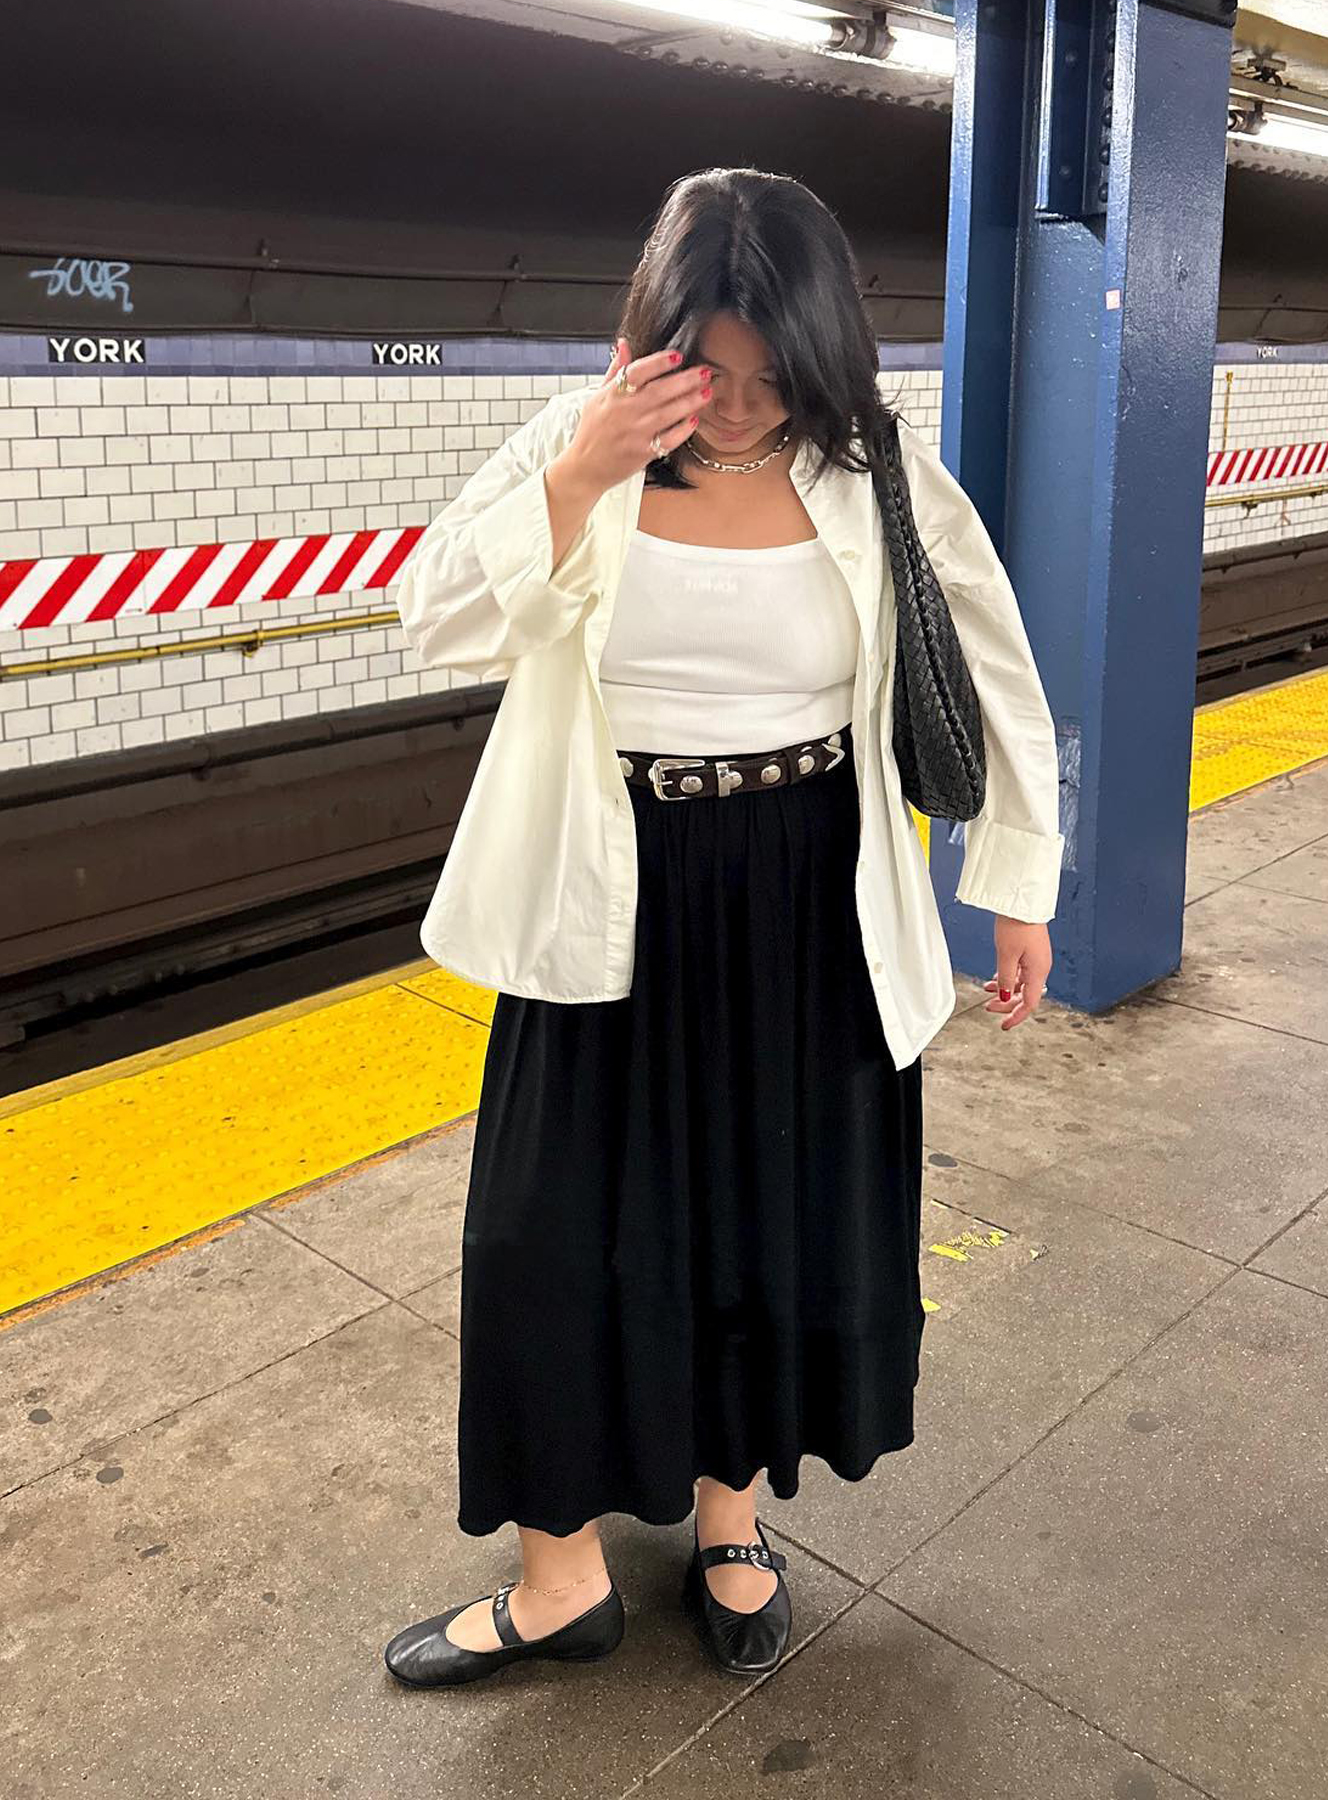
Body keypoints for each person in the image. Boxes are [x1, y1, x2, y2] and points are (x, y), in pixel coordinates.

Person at [382, 167, 1063, 1688]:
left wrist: (1017, 876)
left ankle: (732, 1520)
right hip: (605, 880)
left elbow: (992, 658)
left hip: (808, 889)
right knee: (546, 1232)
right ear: (652, 341)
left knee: (771, 1219)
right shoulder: (579, 446)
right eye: (711, 370)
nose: (743, 409)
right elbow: (437, 621)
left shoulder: (875, 472)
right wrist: (580, 475)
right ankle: (559, 1577)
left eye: (775, 376)